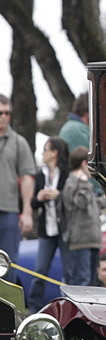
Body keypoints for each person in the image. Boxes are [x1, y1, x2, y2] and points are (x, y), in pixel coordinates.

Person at [28, 138, 70, 311]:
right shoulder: (40, 175)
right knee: (40, 270)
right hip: (46, 229)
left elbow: (73, 199)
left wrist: (59, 195)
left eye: (45, 150)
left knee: (69, 272)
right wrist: (39, 198)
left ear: (55, 152)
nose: (43, 154)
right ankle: (33, 308)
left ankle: (69, 307)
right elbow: (33, 203)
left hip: (65, 228)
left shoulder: (67, 173)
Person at [0, 94, 37, 282]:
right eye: (0, 113)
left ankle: (5, 311)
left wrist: (28, 211)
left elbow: (27, 178)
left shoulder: (18, 142)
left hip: (8, 212)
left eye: (7, 113)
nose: (4, 117)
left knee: (7, 265)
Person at [62, 147, 101, 286]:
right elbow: (82, 203)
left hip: (92, 239)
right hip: (80, 241)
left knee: (92, 281)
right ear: (84, 163)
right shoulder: (72, 183)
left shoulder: (86, 184)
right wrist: (84, 183)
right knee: (82, 281)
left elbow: (92, 205)